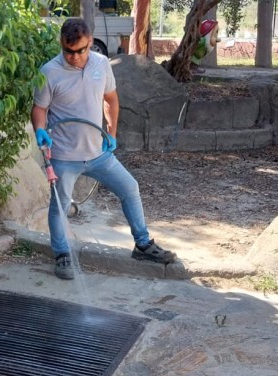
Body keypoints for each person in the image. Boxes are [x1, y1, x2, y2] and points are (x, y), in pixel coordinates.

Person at [31, 18, 177, 280]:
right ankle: (62, 254)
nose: (75, 57)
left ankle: (143, 245)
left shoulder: (101, 64)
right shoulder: (49, 72)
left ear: (90, 42)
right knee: (60, 206)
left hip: (98, 154)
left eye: (81, 50)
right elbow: (39, 109)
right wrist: (40, 129)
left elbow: (110, 99)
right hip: (64, 156)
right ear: (61, 44)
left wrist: (111, 132)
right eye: (68, 51)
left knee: (130, 188)